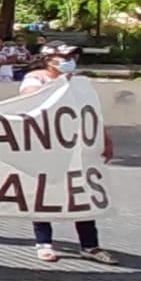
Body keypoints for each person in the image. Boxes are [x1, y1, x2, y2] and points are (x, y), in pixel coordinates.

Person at [19, 45, 117, 264]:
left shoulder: (79, 84)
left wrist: (104, 138)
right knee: (44, 193)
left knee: (82, 193)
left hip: (76, 146)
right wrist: (60, 85)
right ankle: (44, 243)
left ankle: (89, 245)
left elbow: (91, 113)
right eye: (64, 57)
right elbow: (28, 98)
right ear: (49, 59)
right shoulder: (36, 78)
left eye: (72, 56)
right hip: (45, 146)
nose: (70, 60)